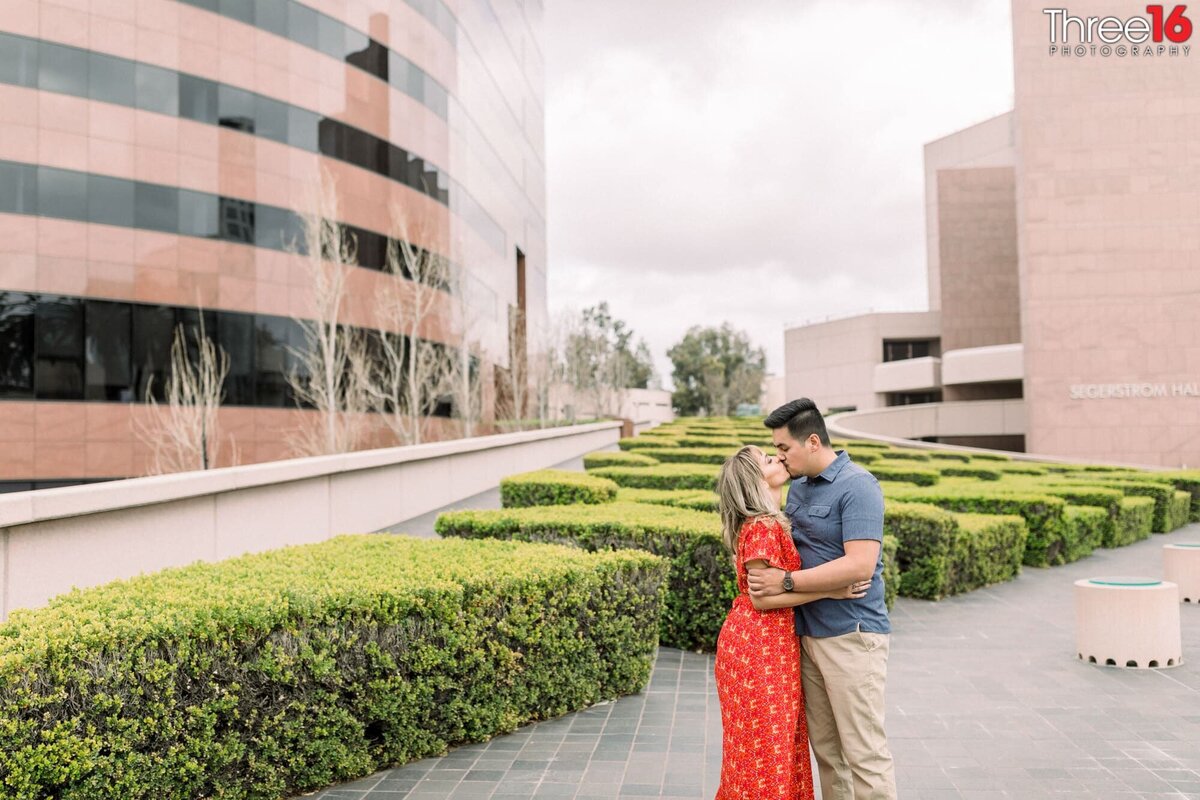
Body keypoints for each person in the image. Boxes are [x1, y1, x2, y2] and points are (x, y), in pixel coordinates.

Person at [748, 398, 898, 800]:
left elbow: (860, 565)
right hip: (807, 635)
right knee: (829, 755)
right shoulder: (797, 488)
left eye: (784, 448)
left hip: (852, 636)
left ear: (812, 441)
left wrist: (788, 583)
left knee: (865, 754)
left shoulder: (858, 485)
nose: (780, 457)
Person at [714, 445, 871, 800]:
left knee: (767, 748)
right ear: (755, 480)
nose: (778, 458)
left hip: (767, 643)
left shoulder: (767, 522)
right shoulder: (763, 526)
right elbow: (762, 598)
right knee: (765, 751)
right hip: (758, 646)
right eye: (767, 460)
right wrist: (831, 591)